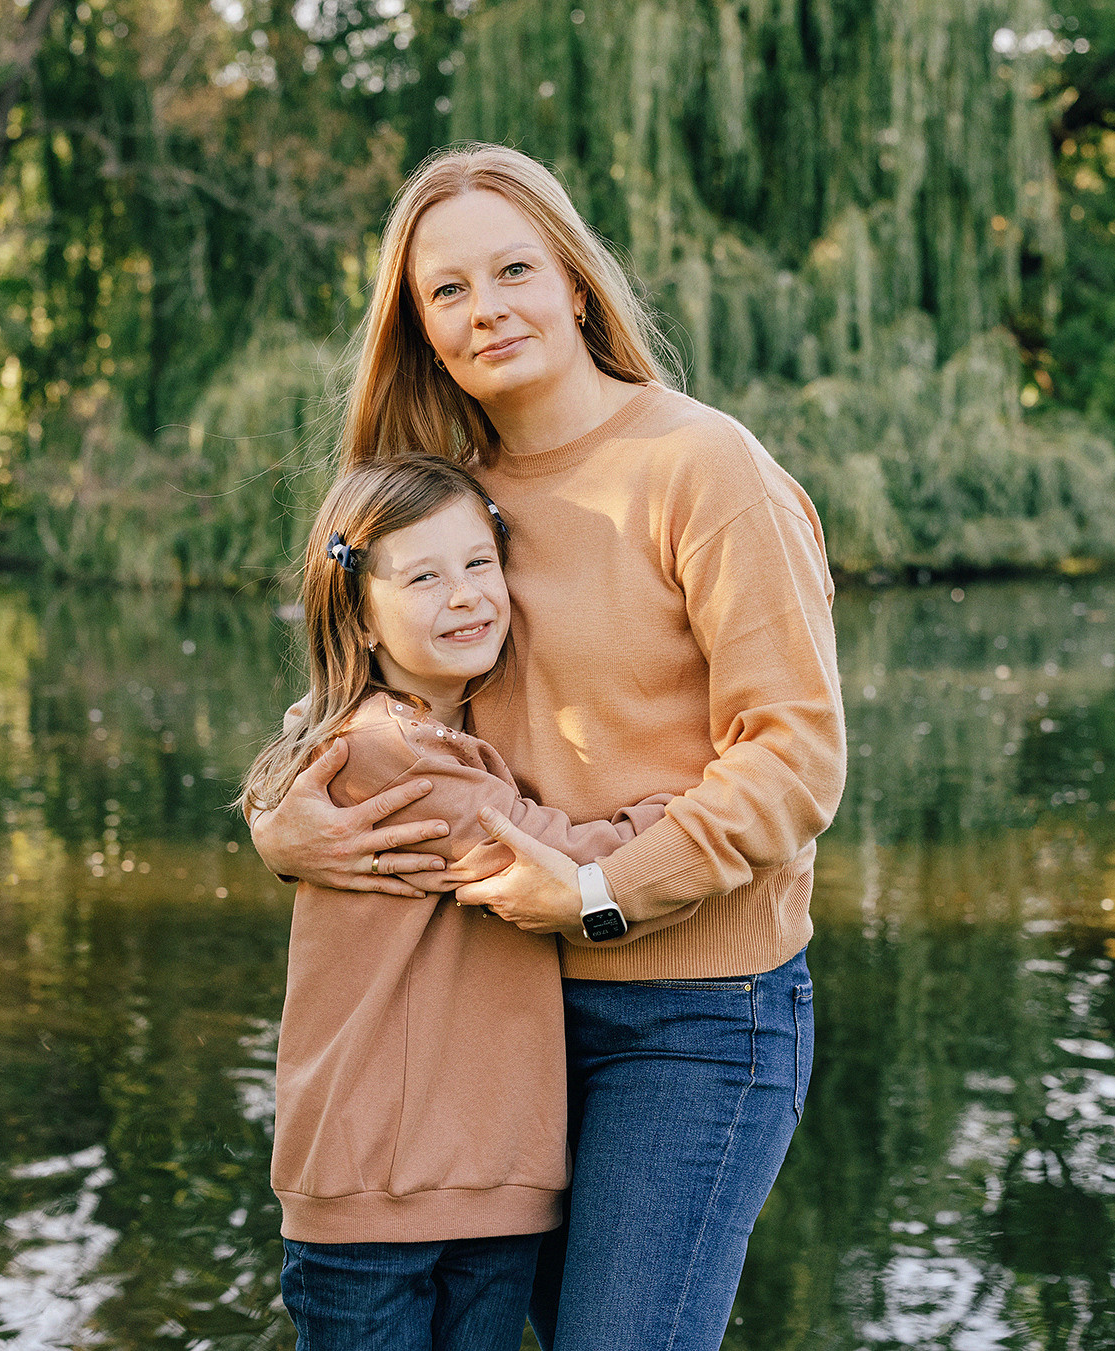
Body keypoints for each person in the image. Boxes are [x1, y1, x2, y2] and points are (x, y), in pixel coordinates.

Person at [250, 143, 846, 1351]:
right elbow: (354, 695)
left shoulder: (700, 466)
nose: (487, 309)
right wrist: (276, 815)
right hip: (497, 1015)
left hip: (695, 1017)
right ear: (418, 327)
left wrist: (594, 892)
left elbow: (793, 758)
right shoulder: (442, 503)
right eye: (447, 291)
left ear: (574, 282)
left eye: (512, 268)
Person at [239, 455, 671, 1350]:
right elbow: (542, 849)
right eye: (425, 576)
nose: (467, 595)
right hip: (381, 1196)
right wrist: (683, 819)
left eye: (480, 563)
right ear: (358, 616)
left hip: (482, 1182)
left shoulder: (439, 730)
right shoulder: (386, 751)